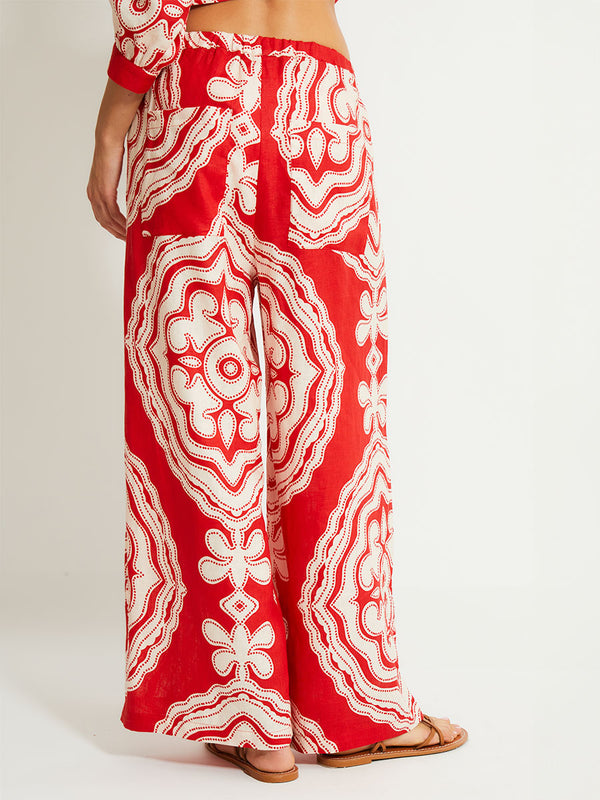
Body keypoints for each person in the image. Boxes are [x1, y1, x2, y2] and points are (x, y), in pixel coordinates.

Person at [86, 0, 467, 783]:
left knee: (200, 403)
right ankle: (353, 710)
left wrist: (110, 128)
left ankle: (250, 716)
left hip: (198, 99)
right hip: (319, 105)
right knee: (334, 401)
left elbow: (149, 10)